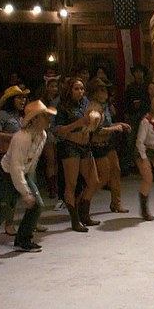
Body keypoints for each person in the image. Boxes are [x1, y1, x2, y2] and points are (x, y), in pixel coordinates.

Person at [0, 101, 56, 253]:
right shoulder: (21, 138)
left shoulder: (42, 135)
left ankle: (23, 240)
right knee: (1, 211)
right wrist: (25, 192)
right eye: (45, 116)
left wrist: (29, 186)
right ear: (35, 119)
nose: (49, 119)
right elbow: (15, 168)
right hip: (5, 174)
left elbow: (31, 162)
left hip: (22, 173)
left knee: (37, 204)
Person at [55, 77, 100, 232]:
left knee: (93, 181)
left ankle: (84, 214)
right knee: (71, 184)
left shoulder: (85, 103)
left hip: (85, 145)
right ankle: (75, 220)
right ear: (69, 90)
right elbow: (59, 130)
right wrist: (77, 123)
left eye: (82, 88)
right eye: (76, 89)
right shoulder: (62, 106)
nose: (80, 91)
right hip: (70, 146)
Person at [86, 77, 131, 214]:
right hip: (98, 144)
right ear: (95, 93)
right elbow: (96, 130)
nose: (105, 92)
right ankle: (83, 201)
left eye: (105, 89)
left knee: (116, 171)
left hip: (108, 143)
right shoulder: (93, 108)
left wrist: (119, 124)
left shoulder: (105, 106)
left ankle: (116, 203)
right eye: (101, 90)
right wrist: (115, 128)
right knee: (103, 177)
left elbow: (107, 124)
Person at [0, 85, 30, 236]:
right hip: (7, 158)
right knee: (10, 194)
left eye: (24, 98)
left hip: (23, 158)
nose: (23, 100)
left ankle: (31, 221)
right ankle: (8, 223)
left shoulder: (23, 115)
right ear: (11, 100)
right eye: (19, 97)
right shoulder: (3, 114)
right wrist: (14, 137)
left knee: (28, 190)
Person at [123, 64, 150, 175]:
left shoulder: (147, 87)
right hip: (132, 116)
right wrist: (128, 113)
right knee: (131, 141)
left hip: (144, 117)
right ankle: (131, 164)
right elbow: (126, 102)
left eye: (140, 72)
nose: (138, 74)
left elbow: (150, 102)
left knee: (144, 141)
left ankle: (143, 165)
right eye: (136, 72)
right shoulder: (130, 87)